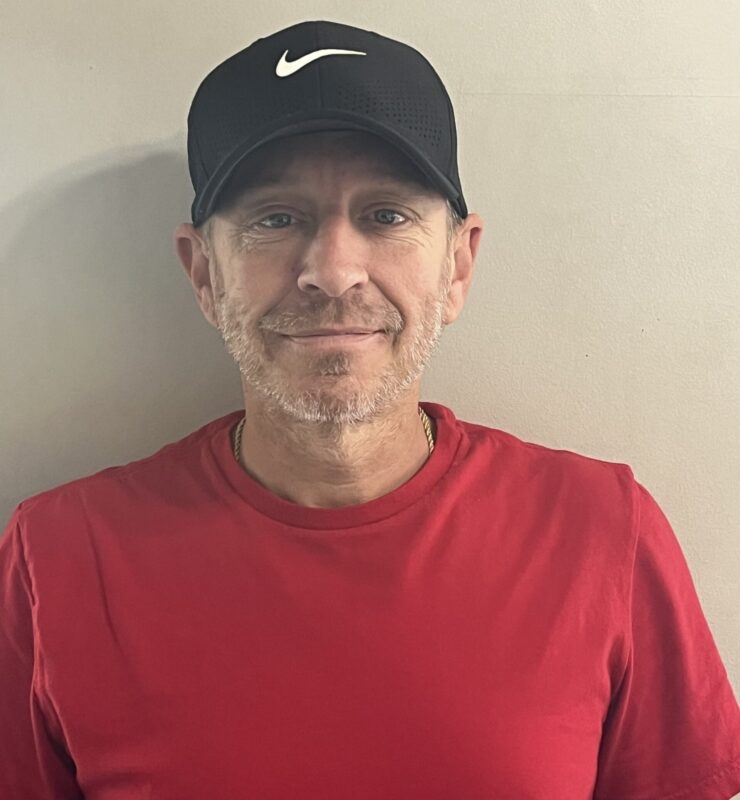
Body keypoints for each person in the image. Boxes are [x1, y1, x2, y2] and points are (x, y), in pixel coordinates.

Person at [1, 19, 739, 800]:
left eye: (386, 215)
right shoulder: (58, 559)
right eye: (275, 218)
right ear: (204, 275)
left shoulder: (602, 534)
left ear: (458, 265)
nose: (332, 271)